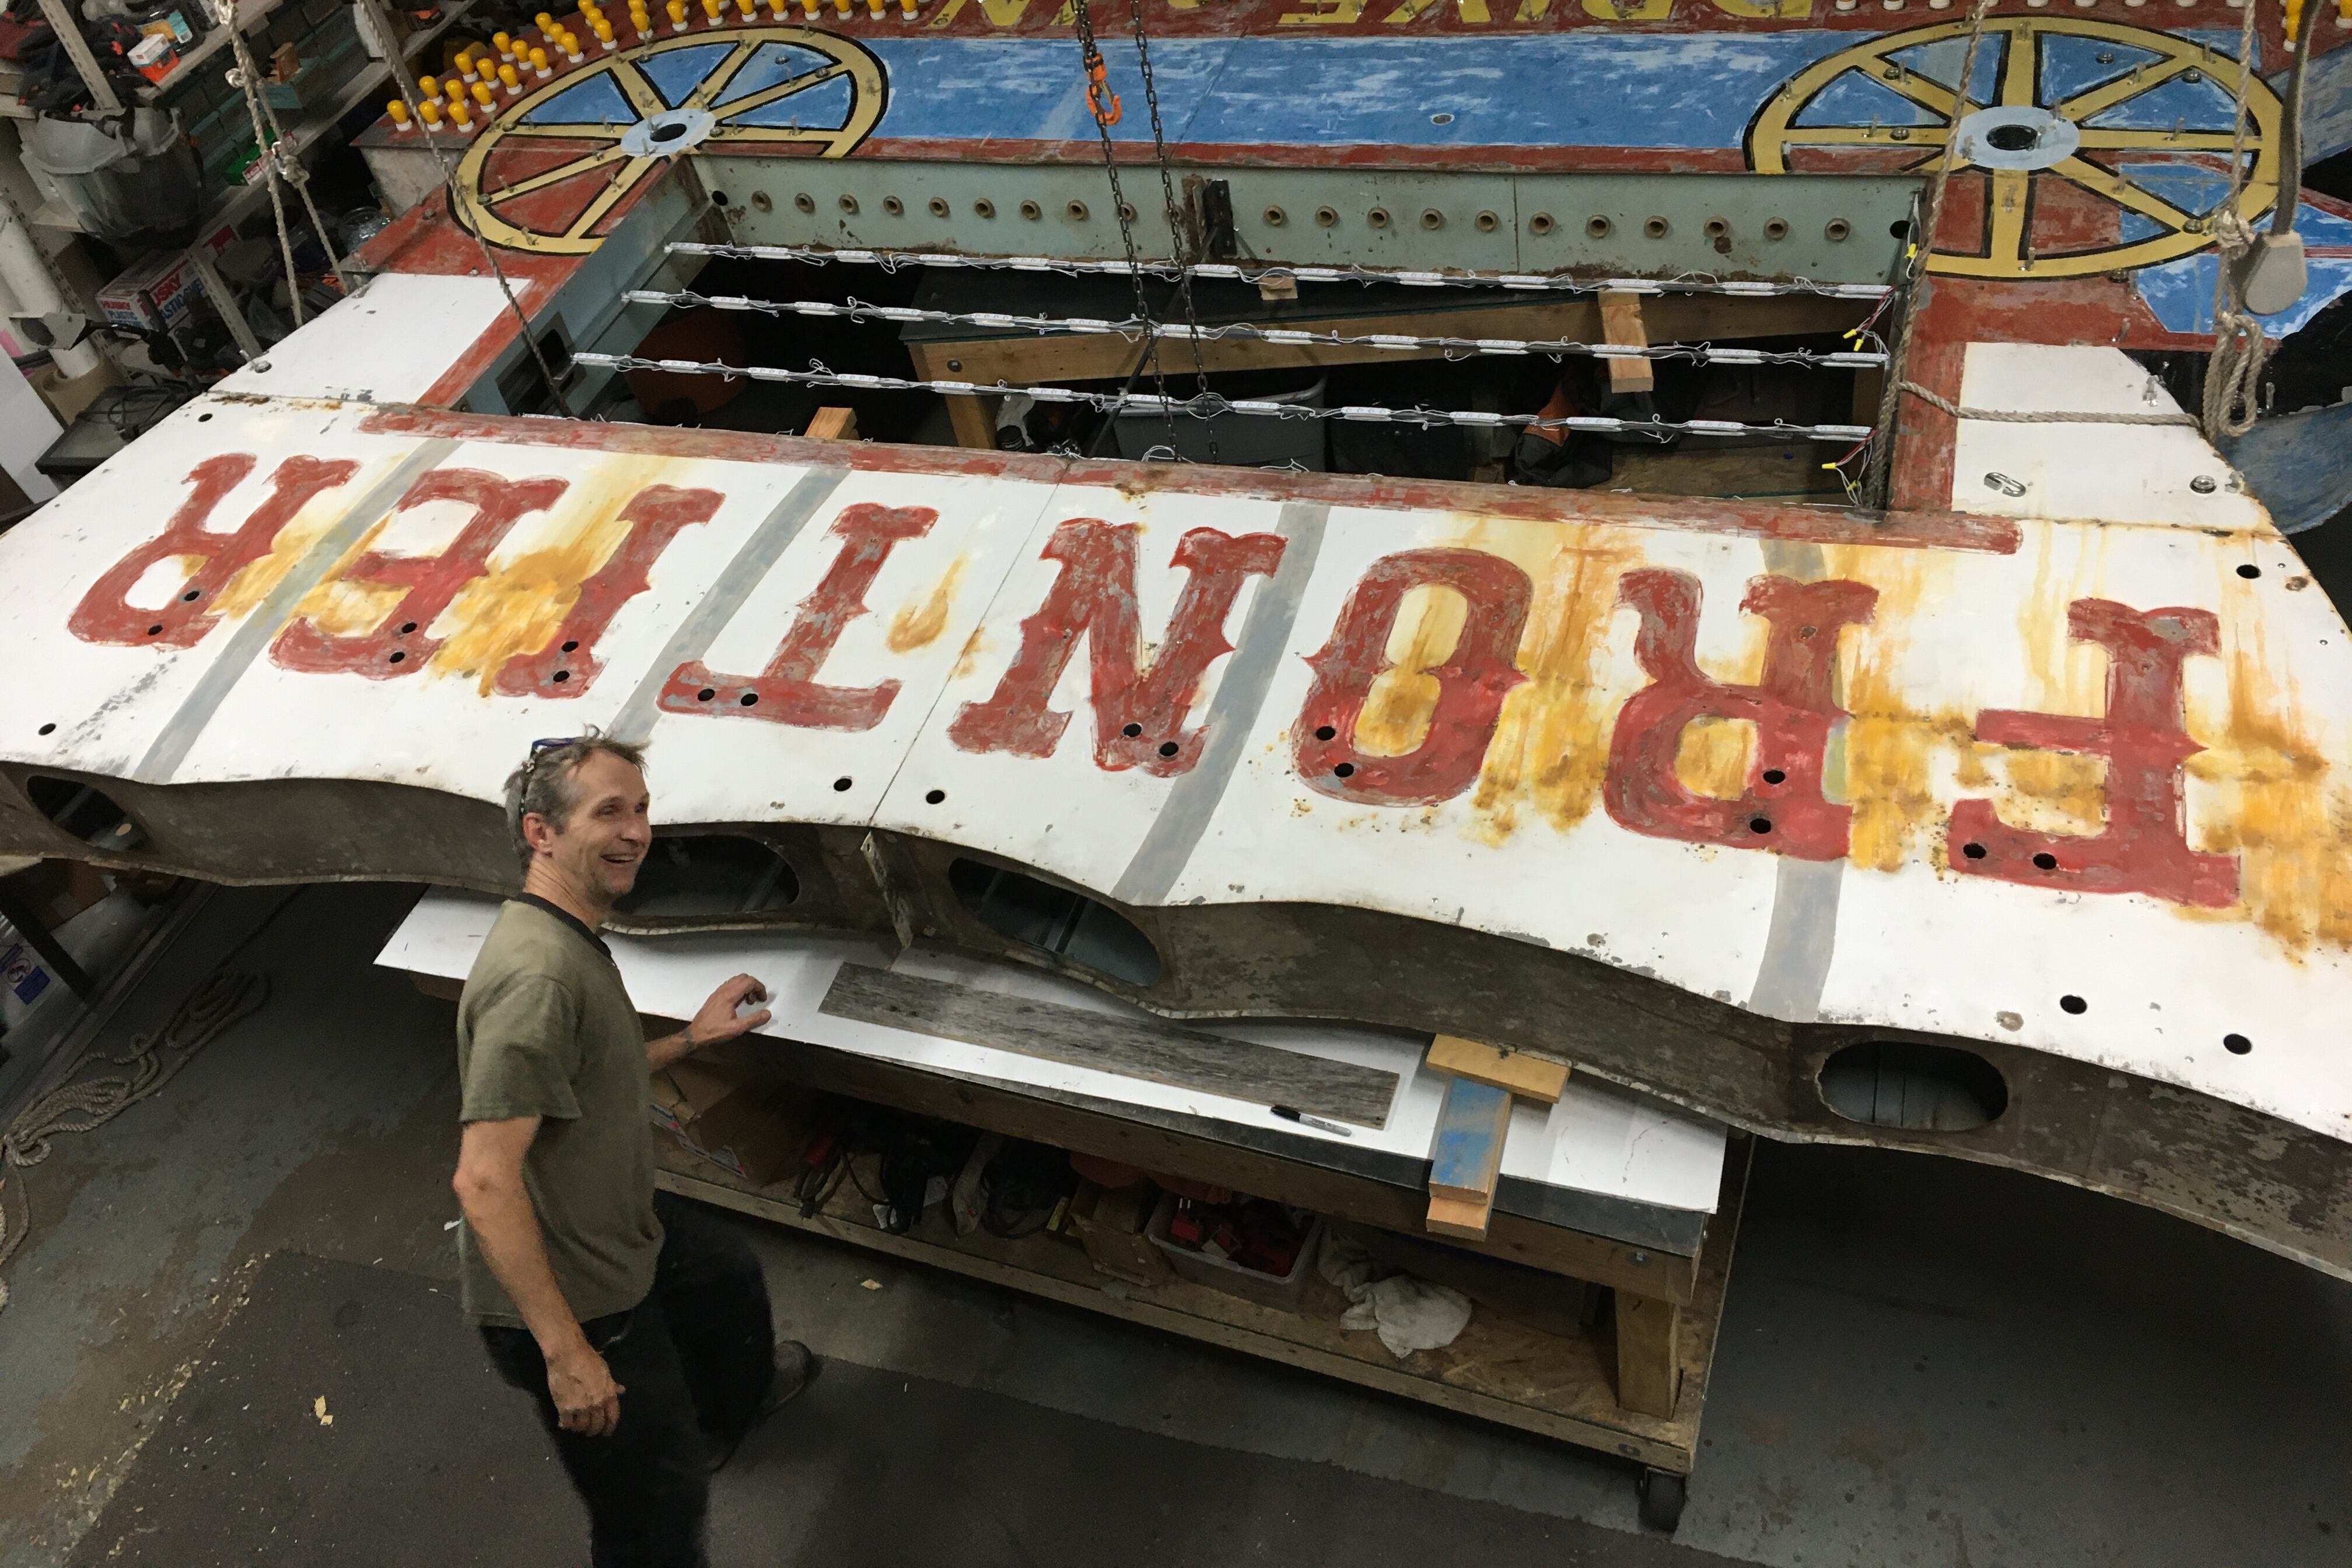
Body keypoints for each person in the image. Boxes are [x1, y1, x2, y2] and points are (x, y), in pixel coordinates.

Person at [452, 731, 814, 1567]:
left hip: (616, 1224)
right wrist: (567, 1354)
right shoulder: (537, 980)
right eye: (608, 812)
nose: (636, 832)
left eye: (642, 810)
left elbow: (586, 1079)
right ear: (540, 832)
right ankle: (683, 1448)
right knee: (653, 1507)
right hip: (576, 1295)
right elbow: (482, 1181)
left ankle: (731, 1410)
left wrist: (691, 1039)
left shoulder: (568, 935)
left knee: (723, 1274)